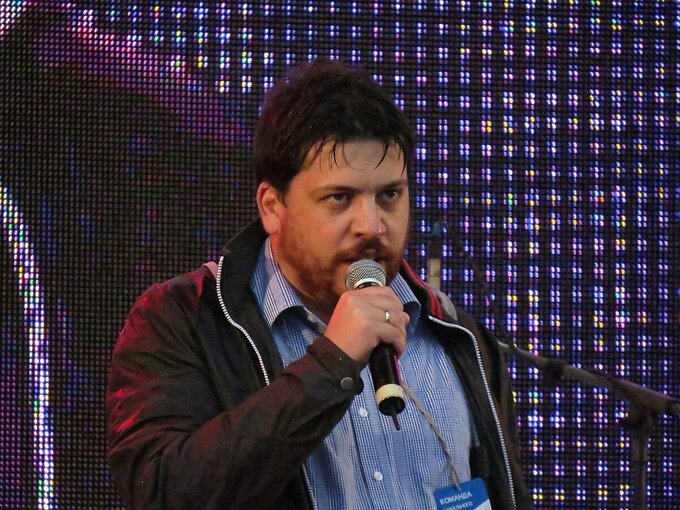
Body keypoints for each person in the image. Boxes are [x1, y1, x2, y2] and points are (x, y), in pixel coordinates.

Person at [106, 58, 529, 509]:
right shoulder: (184, 320)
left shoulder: (455, 334)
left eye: (390, 194)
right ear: (272, 207)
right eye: (339, 198)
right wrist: (332, 364)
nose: (371, 225)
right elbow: (163, 492)